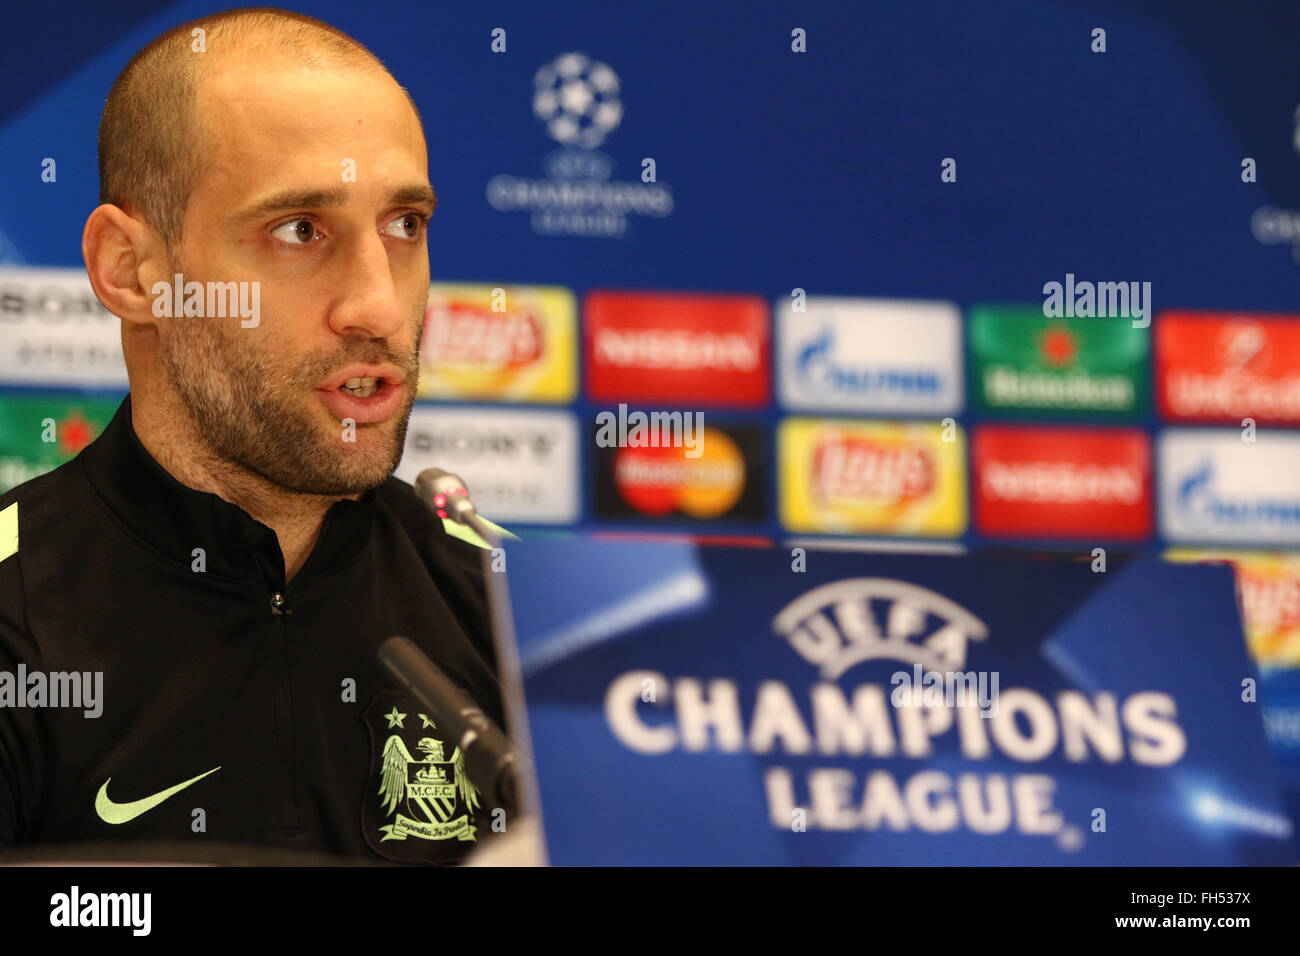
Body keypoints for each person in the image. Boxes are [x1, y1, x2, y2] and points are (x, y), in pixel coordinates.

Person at [0, 7, 505, 865]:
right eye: (301, 230)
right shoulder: (16, 623)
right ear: (131, 272)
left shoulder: (518, 619)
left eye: (404, 226)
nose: (380, 307)